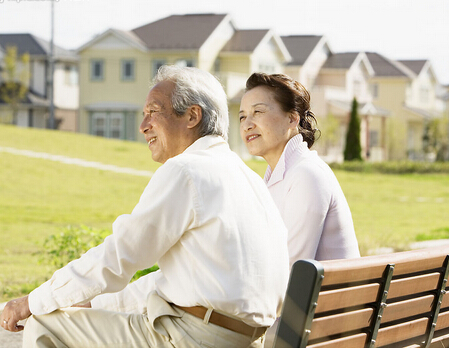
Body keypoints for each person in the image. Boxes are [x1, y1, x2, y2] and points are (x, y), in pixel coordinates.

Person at [0, 66, 290, 348]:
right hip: (245, 340)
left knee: (44, 324)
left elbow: (118, 257)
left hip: (194, 339)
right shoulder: (247, 179)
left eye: (153, 112)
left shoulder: (187, 170)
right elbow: (172, 281)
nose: (142, 127)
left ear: (192, 116)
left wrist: (32, 301)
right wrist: (92, 302)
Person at [239, 72, 360, 271]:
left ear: (292, 119)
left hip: (324, 300)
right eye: (242, 116)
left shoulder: (307, 174)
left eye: (258, 112)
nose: (247, 124)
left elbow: (290, 268)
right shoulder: (278, 176)